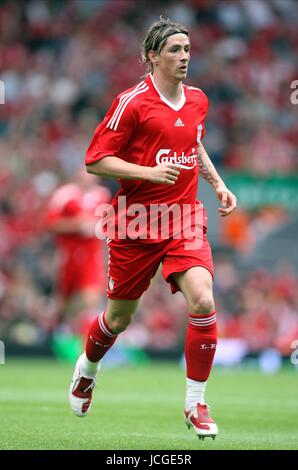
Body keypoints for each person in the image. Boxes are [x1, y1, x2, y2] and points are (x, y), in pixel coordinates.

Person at [69, 17, 237, 440]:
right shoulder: (132, 102)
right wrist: (147, 172)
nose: (185, 57)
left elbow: (193, 140)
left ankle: (195, 402)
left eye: (187, 49)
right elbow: (94, 160)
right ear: (152, 57)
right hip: (135, 222)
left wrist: (217, 183)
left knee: (202, 298)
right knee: (119, 318)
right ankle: (88, 369)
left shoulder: (197, 100)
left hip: (183, 218)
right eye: (175, 50)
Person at [46, 170, 111, 352]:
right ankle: (56, 336)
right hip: (68, 255)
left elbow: (107, 224)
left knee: (90, 299)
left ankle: (86, 349)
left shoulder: (102, 195)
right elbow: (51, 224)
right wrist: (77, 224)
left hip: (91, 255)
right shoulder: (64, 195)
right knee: (64, 302)